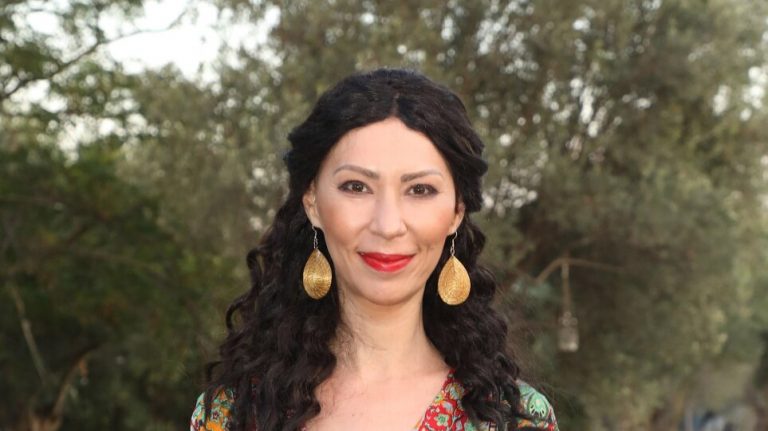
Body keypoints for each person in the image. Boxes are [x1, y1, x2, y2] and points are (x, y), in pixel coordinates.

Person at [190, 68, 559, 431]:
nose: (387, 225)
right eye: (356, 187)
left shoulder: (514, 419)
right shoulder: (232, 414)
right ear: (312, 201)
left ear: (456, 212)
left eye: (419, 190)